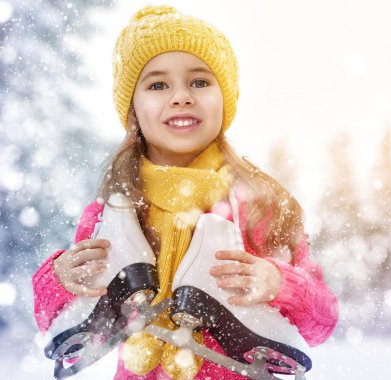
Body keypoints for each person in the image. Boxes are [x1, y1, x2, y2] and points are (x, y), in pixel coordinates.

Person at [32, 5, 338, 380]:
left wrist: (279, 284)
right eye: (158, 85)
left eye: (199, 82)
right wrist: (57, 279)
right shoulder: (111, 213)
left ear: (224, 99)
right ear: (133, 108)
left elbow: (322, 321)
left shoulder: (259, 206)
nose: (181, 97)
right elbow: (48, 317)